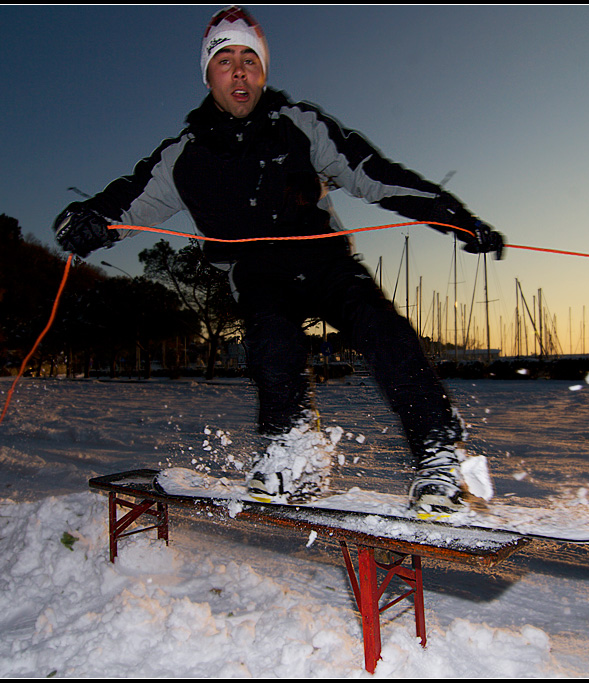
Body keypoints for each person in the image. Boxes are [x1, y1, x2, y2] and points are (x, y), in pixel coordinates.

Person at [54, 6, 505, 514]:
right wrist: (88, 219)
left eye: (250, 59)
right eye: (225, 60)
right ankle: (294, 452)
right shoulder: (185, 156)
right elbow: (126, 201)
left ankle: (439, 458)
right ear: (209, 76)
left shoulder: (298, 126)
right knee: (270, 343)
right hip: (258, 274)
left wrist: (452, 216)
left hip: (323, 260)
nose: (240, 70)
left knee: (384, 332)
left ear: (263, 72)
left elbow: (372, 173)